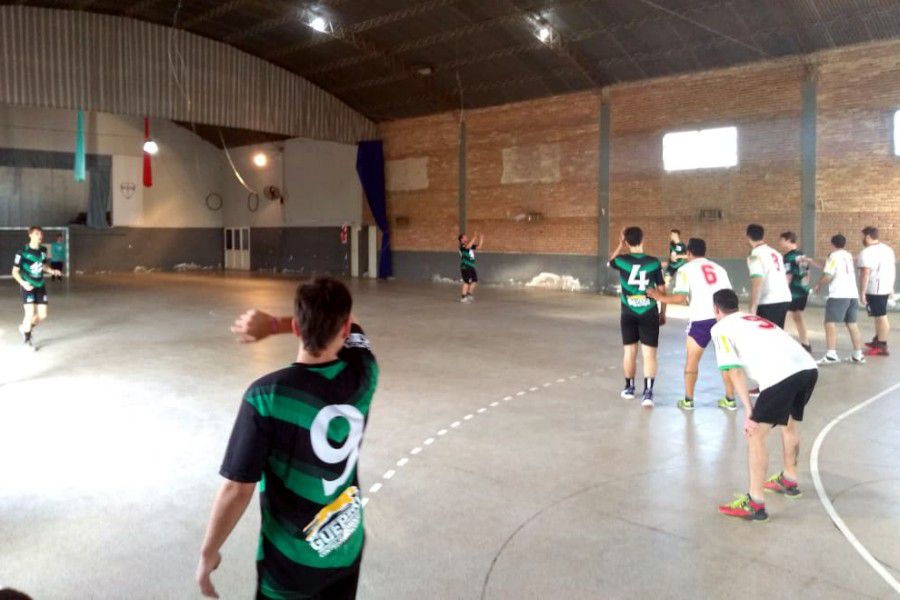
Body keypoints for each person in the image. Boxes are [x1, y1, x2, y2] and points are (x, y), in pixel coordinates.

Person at [197, 277, 378, 600]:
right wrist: (278, 324)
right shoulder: (365, 373)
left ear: (297, 328)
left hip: (290, 569)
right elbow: (356, 330)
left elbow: (237, 488)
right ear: (344, 327)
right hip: (346, 549)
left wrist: (208, 552)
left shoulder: (267, 396)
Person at [710, 289, 818, 521]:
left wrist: (750, 411)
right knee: (789, 424)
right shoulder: (754, 318)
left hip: (782, 376)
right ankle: (789, 478)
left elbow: (734, 371)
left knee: (756, 434)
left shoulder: (720, 327)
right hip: (808, 368)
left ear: (716, 310)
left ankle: (755, 503)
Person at [648, 238, 736, 411]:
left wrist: (659, 297)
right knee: (727, 360)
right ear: (705, 252)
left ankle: (688, 400)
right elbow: (729, 295)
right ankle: (730, 399)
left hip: (701, 319)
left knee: (692, 361)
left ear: (688, 253)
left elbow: (680, 298)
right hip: (724, 317)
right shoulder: (720, 269)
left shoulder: (685, 269)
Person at [608, 226, 666, 407]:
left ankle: (629, 387)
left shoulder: (622, 261)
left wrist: (619, 245)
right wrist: (662, 311)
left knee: (629, 352)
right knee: (649, 354)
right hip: (648, 312)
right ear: (643, 239)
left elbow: (610, 261)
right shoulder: (653, 262)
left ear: (626, 242)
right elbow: (662, 290)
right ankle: (648, 393)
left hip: (628, 312)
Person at [812, 234, 865, 365]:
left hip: (839, 295)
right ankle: (858, 355)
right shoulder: (847, 255)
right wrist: (811, 261)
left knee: (829, 323)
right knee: (852, 323)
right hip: (852, 294)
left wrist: (818, 284)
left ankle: (831, 355)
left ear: (832, 244)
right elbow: (828, 266)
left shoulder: (833, 256)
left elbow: (829, 275)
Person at [11, 226, 62, 350]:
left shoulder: (43, 250)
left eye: (41, 234)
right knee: (29, 313)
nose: (40, 236)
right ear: (30, 235)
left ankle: (25, 328)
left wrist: (52, 271)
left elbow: (42, 265)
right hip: (27, 286)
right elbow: (14, 272)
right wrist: (23, 283)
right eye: (37, 234)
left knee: (43, 314)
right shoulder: (22, 251)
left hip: (40, 285)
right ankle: (27, 341)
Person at [857, 226, 895, 357]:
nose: (861, 239)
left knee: (881, 316)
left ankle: (882, 346)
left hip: (875, 289)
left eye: (862, 236)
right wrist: (891, 287)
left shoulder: (867, 252)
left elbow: (865, 273)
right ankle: (878, 340)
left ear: (867, 236)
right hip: (884, 287)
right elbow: (891, 269)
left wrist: (862, 292)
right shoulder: (887, 249)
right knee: (878, 316)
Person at [746, 224, 792, 328]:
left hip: (769, 301)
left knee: (766, 337)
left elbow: (757, 280)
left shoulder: (754, 255)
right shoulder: (775, 253)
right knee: (777, 334)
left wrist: (753, 306)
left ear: (748, 237)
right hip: (784, 298)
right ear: (763, 236)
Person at [779, 231, 811, 352]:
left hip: (791, 292)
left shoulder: (788, 257)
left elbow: (788, 275)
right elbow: (807, 273)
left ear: (788, 240)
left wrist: (783, 291)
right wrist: (806, 287)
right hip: (802, 291)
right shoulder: (802, 254)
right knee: (798, 317)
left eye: (782, 240)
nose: (780, 243)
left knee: (781, 317)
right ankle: (806, 344)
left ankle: (780, 344)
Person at [458, 232, 483, 303]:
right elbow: (468, 247)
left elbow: (479, 247)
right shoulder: (462, 246)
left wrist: (481, 239)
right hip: (465, 266)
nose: (466, 238)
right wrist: (474, 237)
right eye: (465, 237)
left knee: (474, 280)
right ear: (461, 239)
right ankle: (463, 297)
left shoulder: (469, 245)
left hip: (471, 266)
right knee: (467, 282)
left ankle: (469, 295)